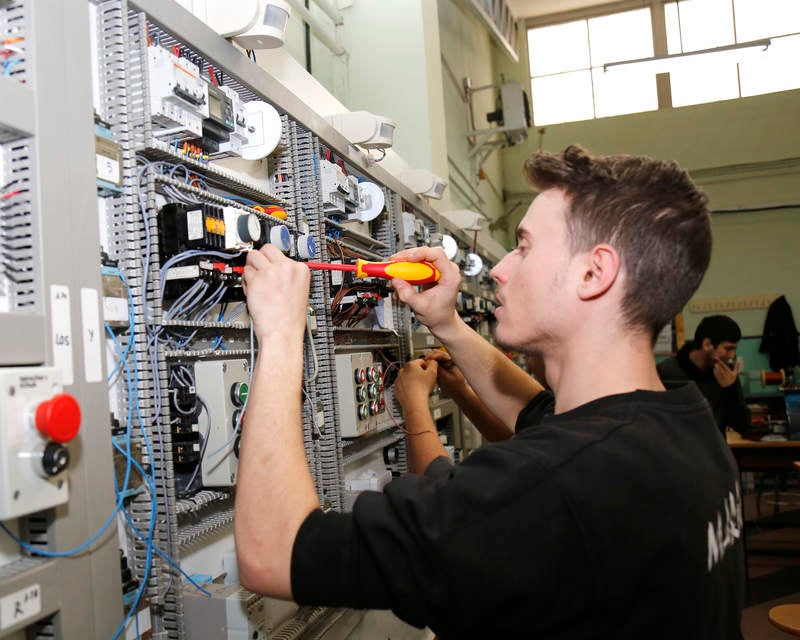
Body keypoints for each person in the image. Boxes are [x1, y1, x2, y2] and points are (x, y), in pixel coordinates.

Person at [235, 145, 744, 638]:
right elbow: (539, 412)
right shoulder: (682, 424)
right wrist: (448, 324)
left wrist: (281, 336)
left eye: (524, 247)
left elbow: (276, 553)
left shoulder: (544, 489)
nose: (500, 268)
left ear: (595, 273)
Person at [657, 315, 750, 436]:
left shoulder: (726, 372)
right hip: (678, 452)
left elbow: (743, 426)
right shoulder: (665, 372)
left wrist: (730, 389)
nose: (732, 356)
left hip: (714, 452)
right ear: (707, 344)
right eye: (728, 348)